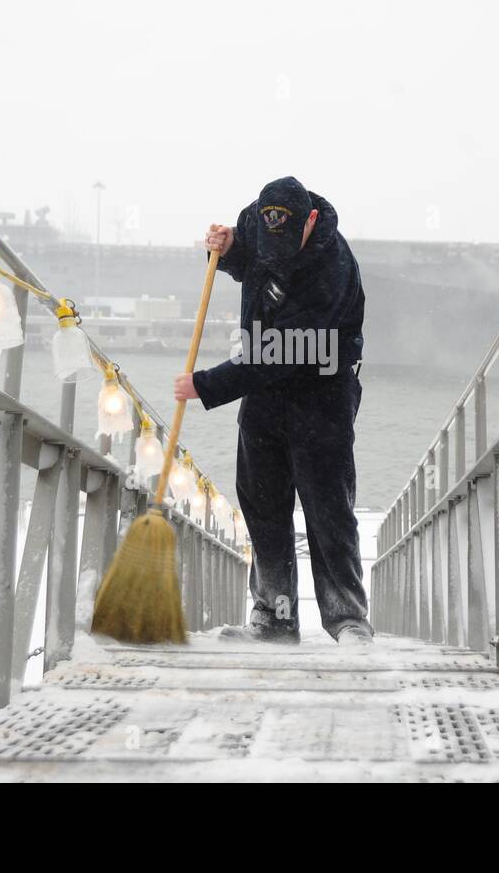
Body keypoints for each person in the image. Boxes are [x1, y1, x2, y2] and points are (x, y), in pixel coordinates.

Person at [174, 176, 373, 646]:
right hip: (263, 400)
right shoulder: (255, 223)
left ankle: (348, 619)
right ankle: (275, 617)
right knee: (263, 506)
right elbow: (253, 267)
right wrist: (224, 252)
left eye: (287, 243)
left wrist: (207, 385)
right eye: (269, 243)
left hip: (322, 391)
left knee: (328, 508)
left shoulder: (334, 267)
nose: (277, 251)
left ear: (309, 221)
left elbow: (280, 352)